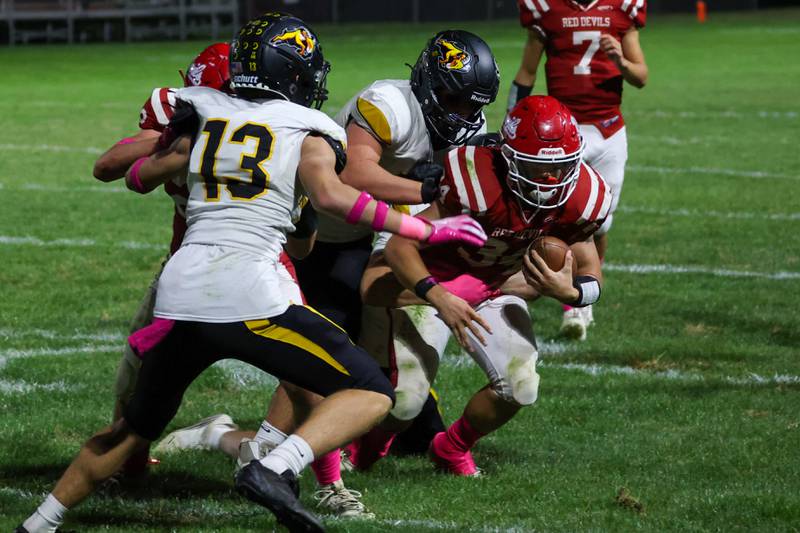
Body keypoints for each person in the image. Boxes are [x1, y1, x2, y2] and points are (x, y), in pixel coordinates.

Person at [15, 12, 487, 533]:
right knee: (370, 390)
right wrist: (427, 231)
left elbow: (134, 176)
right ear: (292, 74)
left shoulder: (200, 110)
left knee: (129, 429)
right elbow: (331, 199)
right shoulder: (309, 128)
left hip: (182, 292)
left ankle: (38, 523)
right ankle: (274, 466)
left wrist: (178, 155)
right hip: (251, 295)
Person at [160, 29, 502, 493]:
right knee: (327, 346)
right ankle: (238, 440)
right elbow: (354, 174)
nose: (463, 114)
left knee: (391, 375)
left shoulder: (464, 126)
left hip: (379, 232)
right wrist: (426, 190)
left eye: (471, 104)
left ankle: (391, 420)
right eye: (453, 99)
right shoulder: (389, 104)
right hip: (321, 232)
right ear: (427, 81)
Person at [351, 96, 610, 475]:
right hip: (431, 281)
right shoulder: (474, 179)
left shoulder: (581, 196)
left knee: (521, 385)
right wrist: (441, 298)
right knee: (405, 402)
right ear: (508, 158)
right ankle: (364, 452)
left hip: (492, 285)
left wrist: (571, 294)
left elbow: (590, 269)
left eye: (559, 167)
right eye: (537, 168)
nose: (551, 180)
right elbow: (400, 244)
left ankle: (451, 448)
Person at [91, 42, 239, 476]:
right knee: (136, 370)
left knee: (307, 369)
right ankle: (129, 458)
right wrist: (172, 136)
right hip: (186, 264)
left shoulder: (266, 121)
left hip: (259, 257)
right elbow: (108, 167)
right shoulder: (169, 110)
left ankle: (324, 461)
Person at [509, 0, 648, 340]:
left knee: (600, 222)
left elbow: (641, 76)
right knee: (558, 214)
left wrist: (620, 61)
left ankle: (583, 294)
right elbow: (528, 70)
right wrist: (512, 119)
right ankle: (572, 304)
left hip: (609, 129)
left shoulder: (622, 7)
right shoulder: (545, 7)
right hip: (561, 135)